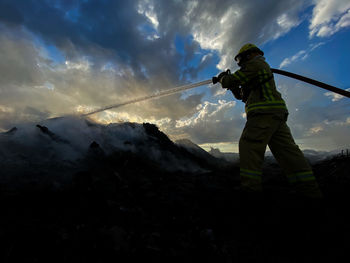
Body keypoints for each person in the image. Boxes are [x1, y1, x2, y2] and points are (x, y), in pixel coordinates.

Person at [214, 43, 322, 198]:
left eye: (241, 59)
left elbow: (231, 80)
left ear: (250, 55)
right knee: (288, 153)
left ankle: (250, 192)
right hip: (275, 115)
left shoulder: (256, 64)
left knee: (249, 146)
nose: (240, 62)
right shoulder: (257, 71)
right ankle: (309, 191)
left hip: (263, 114)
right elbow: (242, 96)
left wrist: (222, 78)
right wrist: (230, 86)